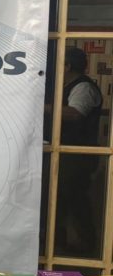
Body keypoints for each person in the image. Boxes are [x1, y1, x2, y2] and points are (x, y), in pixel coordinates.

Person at [48, 46, 103, 254]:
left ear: (68, 66)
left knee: (74, 197)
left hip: (77, 154)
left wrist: (43, 108)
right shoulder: (66, 85)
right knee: (61, 198)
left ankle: (85, 245)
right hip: (64, 152)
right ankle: (59, 242)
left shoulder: (84, 87)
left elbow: (75, 113)